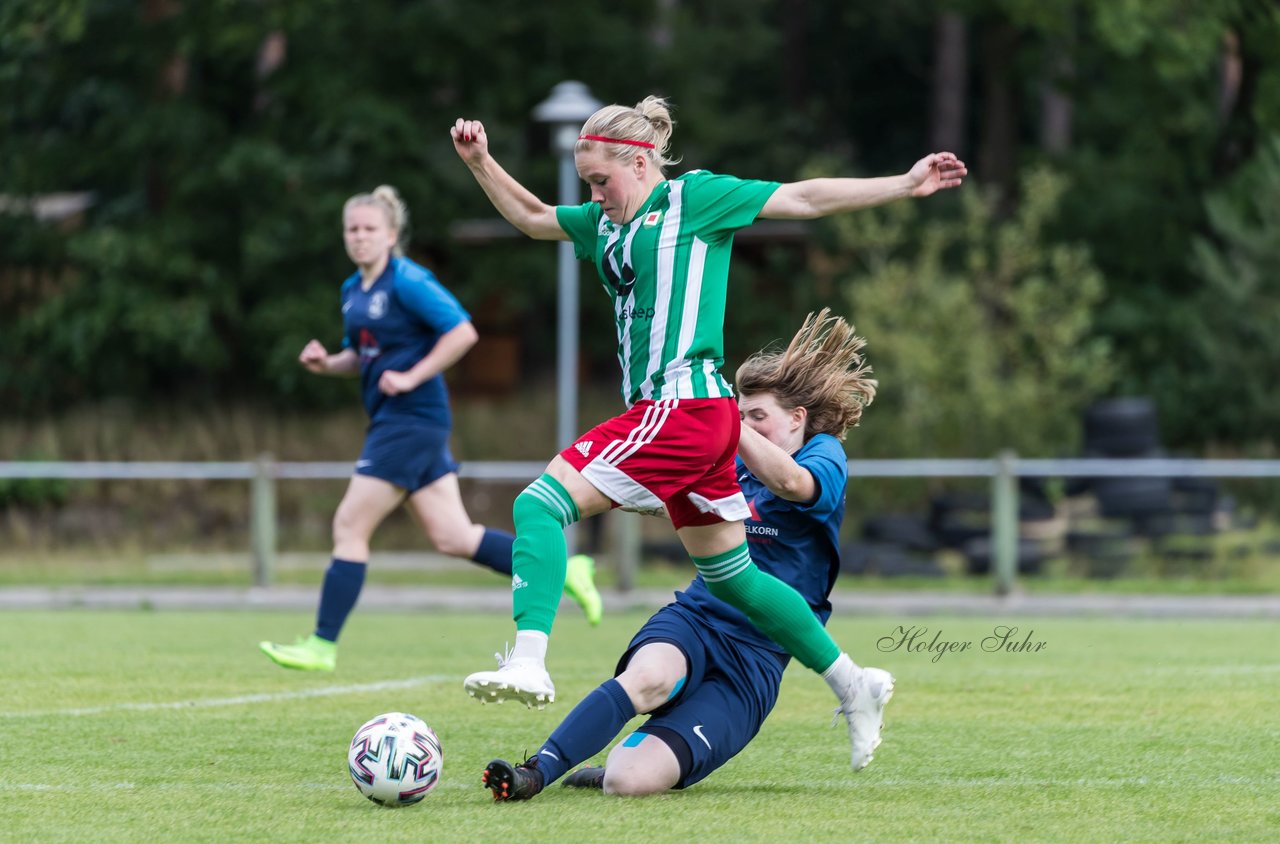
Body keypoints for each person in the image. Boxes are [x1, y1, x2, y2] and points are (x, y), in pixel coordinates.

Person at [450, 96, 964, 768]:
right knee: (730, 576)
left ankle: (529, 662)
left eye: (602, 181)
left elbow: (803, 199)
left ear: (638, 164)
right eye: (586, 184)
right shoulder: (604, 224)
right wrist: (481, 162)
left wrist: (903, 183)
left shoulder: (696, 200)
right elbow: (532, 217)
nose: (593, 195)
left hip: (680, 410)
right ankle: (853, 683)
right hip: (690, 423)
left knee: (537, 505)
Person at [482, 309, 884, 800]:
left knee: (627, 782)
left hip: (756, 660)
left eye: (758, 418)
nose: (744, 427)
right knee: (650, 678)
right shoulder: (726, 456)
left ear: (798, 419)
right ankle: (535, 771)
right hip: (697, 617)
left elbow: (792, 483)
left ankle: (619, 764)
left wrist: (720, 424)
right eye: (740, 416)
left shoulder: (823, 455)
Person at [259, 185, 602, 673]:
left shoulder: (408, 281)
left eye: (369, 229)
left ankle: (322, 644)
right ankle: (568, 570)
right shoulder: (353, 291)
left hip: (411, 421)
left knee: (349, 526)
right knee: (454, 537)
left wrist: (413, 376)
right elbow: (366, 355)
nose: (359, 238)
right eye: (352, 230)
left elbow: (463, 331)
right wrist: (328, 363)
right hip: (397, 421)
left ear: (391, 234)